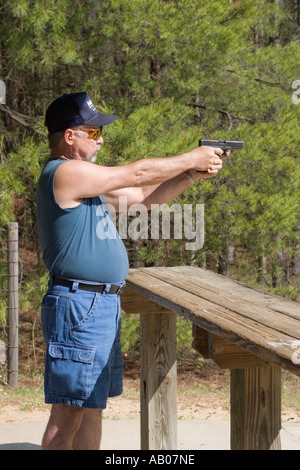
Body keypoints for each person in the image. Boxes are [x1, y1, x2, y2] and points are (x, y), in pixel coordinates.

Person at [37, 92, 224, 450]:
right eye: (93, 132)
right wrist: (192, 156)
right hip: (80, 305)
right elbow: (137, 172)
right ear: (69, 135)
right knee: (68, 415)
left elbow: (143, 197)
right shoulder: (65, 172)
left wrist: (189, 174)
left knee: (91, 408)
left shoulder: (86, 184)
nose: (101, 139)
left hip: (98, 305)